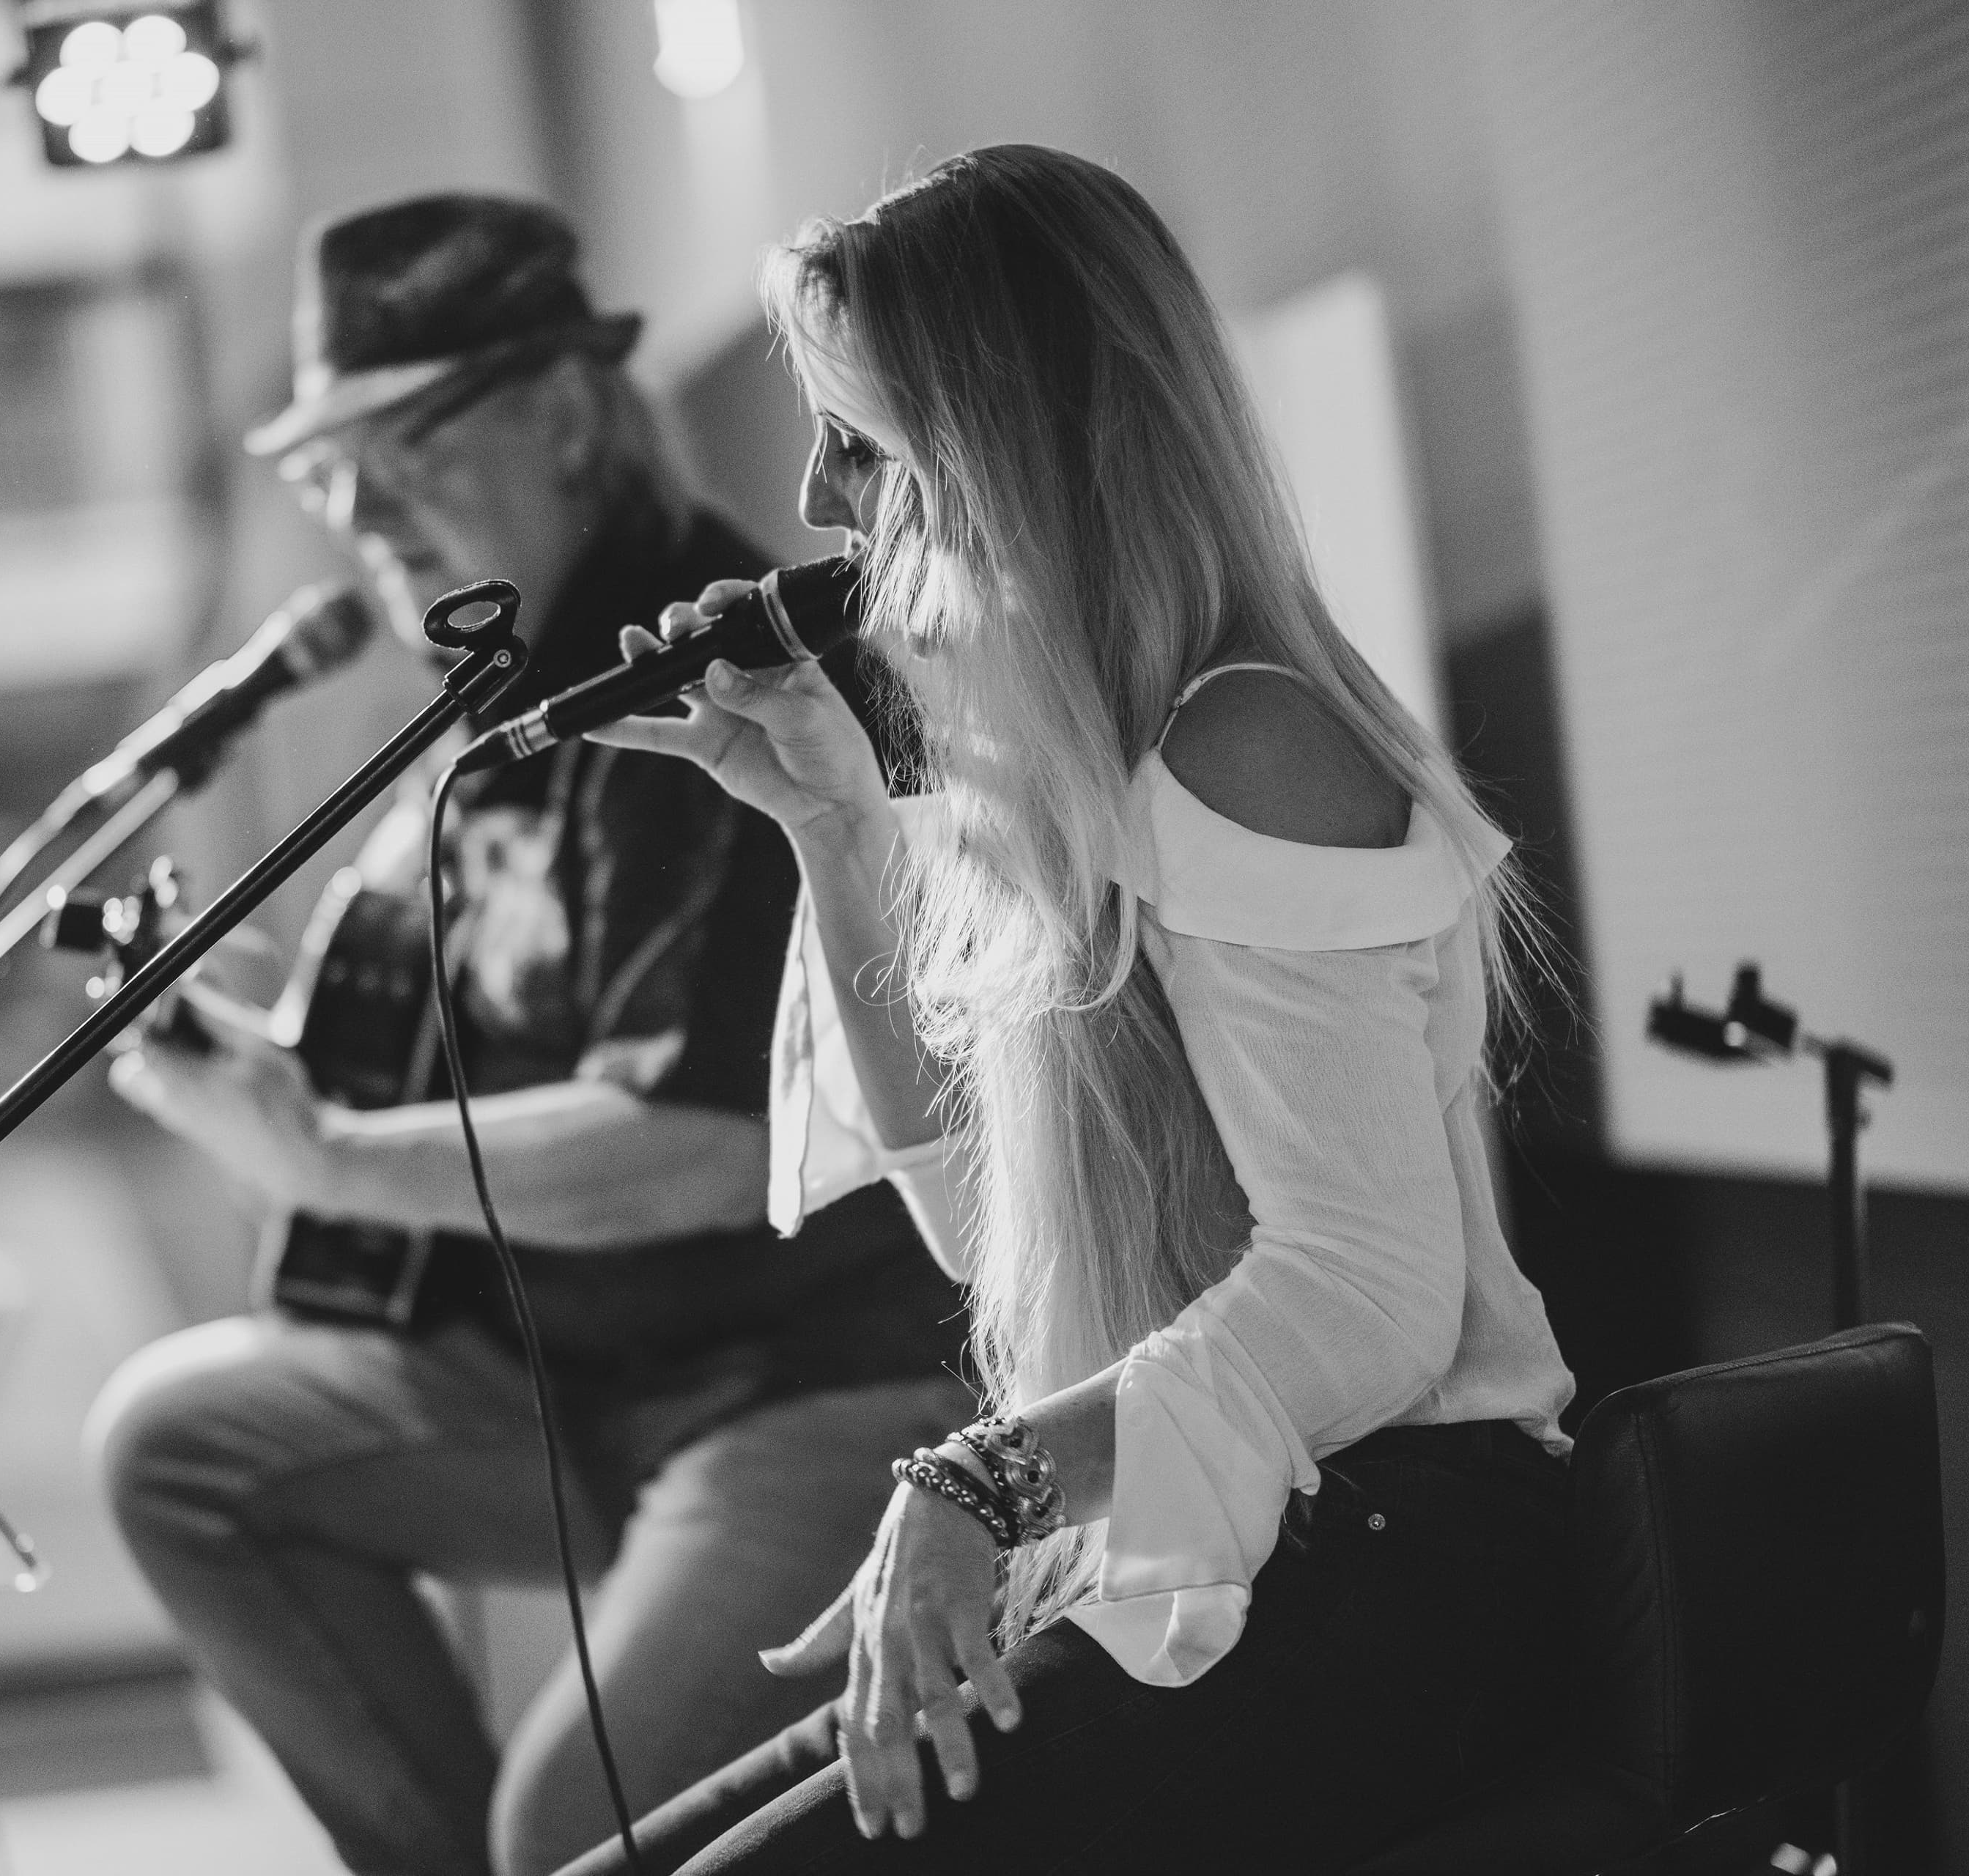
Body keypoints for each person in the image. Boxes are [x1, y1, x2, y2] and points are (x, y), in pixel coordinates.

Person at [566, 144, 1580, 1873]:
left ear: (1017, 439)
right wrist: (831, 821)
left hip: (1396, 1564)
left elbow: (1371, 1294)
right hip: (1220, 1545)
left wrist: (981, 1480)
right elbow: (991, 1238)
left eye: (862, 440)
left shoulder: (1247, 742)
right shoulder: (1056, 769)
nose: (817, 498)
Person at [82, 194, 971, 1876]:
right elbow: (439, 1058)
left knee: (577, 1820)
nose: (354, 510)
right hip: (578, 1380)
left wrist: (327, 1156)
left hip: (814, 1374)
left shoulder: (723, 662)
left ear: (563, 414)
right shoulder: (481, 714)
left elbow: (700, 1143)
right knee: (176, 1441)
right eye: (318, 468)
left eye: (396, 444)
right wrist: (255, 1063)